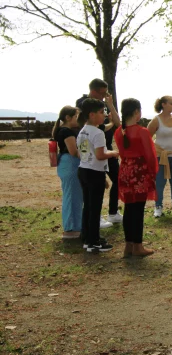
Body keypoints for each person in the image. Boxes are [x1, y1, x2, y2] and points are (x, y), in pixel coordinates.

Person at [114, 99, 158, 257]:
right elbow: (150, 155)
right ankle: (138, 246)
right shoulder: (142, 131)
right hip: (139, 172)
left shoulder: (119, 131)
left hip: (125, 170)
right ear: (136, 112)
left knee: (129, 209)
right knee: (138, 210)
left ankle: (128, 245)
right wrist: (153, 172)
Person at [76, 78, 122, 228]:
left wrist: (110, 105)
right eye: (102, 94)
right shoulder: (83, 103)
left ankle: (113, 212)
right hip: (92, 150)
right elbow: (92, 125)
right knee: (95, 186)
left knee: (118, 179)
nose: (104, 97)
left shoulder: (104, 105)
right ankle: (95, 218)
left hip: (105, 146)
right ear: (93, 91)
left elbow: (117, 122)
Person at [77, 98, 119, 253]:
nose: (104, 115)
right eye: (102, 112)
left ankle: (87, 237)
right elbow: (100, 155)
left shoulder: (83, 130)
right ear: (92, 115)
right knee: (94, 209)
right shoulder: (98, 132)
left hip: (84, 170)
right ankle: (93, 242)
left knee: (88, 206)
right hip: (94, 172)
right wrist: (113, 153)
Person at [147, 96, 172, 218]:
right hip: (160, 156)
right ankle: (158, 206)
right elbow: (148, 136)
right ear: (163, 104)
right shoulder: (156, 120)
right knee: (160, 181)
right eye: (171, 103)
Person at [53, 106, 82, 240]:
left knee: (73, 196)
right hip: (71, 164)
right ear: (68, 118)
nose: (78, 119)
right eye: (76, 117)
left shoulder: (61, 130)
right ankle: (71, 229)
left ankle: (75, 226)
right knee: (72, 197)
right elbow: (73, 151)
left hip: (66, 164)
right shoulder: (67, 132)